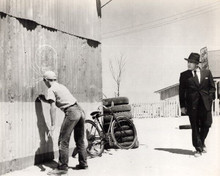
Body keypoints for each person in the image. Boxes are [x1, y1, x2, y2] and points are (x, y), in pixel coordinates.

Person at [39, 71, 88, 175]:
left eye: (44, 81)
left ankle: (62, 168)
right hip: (79, 110)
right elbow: (62, 100)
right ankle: (83, 164)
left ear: (46, 80)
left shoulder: (51, 89)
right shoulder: (61, 86)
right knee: (80, 140)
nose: (45, 83)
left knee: (63, 141)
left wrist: (52, 125)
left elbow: (53, 108)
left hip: (71, 112)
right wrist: (45, 100)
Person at [179, 53, 216, 157]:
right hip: (192, 105)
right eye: (188, 62)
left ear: (196, 64)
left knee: (207, 124)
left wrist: (210, 99)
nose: (188, 64)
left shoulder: (207, 73)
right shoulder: (184, 75)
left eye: (191, 62)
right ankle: (198, 149)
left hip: (205, 104)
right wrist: (182, 106)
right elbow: (181, 92)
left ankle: (202, 142)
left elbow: (212, 88)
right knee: (195, 127)